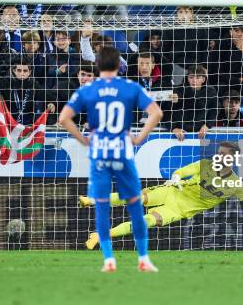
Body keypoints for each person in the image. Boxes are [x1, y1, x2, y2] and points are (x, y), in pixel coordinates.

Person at [58, 46, 164, 273]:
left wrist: (83, 139)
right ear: (119, 66)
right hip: (123, 152)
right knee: (135, 205)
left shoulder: (88, 89)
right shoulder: (130, 87)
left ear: (97, 66)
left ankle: (108, 260)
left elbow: (64, 118)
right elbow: (156, 113)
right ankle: (143, 259)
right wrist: (138, 138)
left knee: (102, 206)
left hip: (99, 154)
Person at [79, 142, 243, 248]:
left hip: (180, 209)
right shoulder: (204, 164)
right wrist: (175, 177)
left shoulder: (235, 184)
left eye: (224, 155)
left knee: (145, 222)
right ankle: (92, 200)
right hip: (172, 192)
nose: (219, 157)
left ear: (233, 160)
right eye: (218, 153)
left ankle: (100, 236)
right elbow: (182, 172)